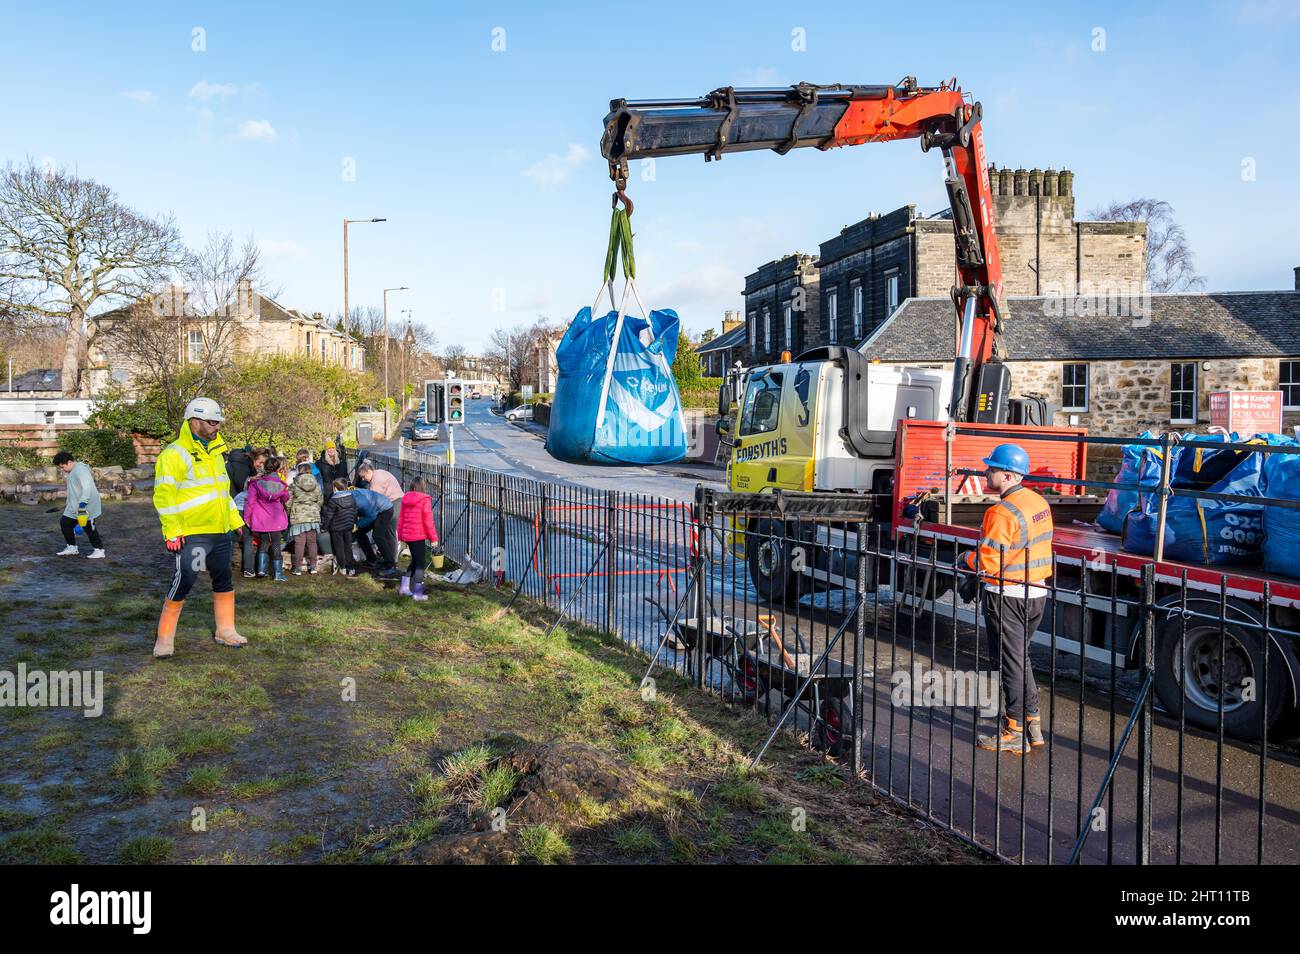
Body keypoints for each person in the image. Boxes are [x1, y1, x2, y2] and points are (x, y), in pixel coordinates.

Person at [961, 443, 1054, 755]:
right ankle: (1032, 724)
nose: (987, 472)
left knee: (1008, 662)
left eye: (993, 468)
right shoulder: (1038, 501)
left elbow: (989, 563)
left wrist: (965, 558)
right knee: (1019, 659)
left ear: (1009, 475)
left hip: (1008, 596)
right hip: (1036, 591)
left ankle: (1014, 731)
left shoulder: (1001, 512)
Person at [151, 397, 246, 658]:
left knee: (224, 580)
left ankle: (226, 630)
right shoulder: (174, 454)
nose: (217, 427)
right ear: (194, 420)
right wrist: (172, 531)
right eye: (212, 422)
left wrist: (236, 522)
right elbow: (164, 496)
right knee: (185, 581)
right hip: (193, 535)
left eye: (218, 422)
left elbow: (222, 493)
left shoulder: (216, 453)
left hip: (220, 532)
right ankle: (165, 639)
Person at [245, 455, 290, 581]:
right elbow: (286, 498)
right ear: (277, 468)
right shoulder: (282, 485)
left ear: (265, 467)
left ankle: (261, 570)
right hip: (276, 518)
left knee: (264, 543)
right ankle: (278, 574)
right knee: (276, 544)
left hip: (261, 518)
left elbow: (250, 502)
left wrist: (247, 518)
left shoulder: (256, 484)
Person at [53, 451, 105, 559]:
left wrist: (82, 504)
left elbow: (86, 488)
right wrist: (69, 502)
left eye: (63, 467)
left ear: (69, 462)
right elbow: (74, 489)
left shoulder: (81, 470)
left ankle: (99, 550)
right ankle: (72, 548)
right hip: (73, 506)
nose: (63, 469)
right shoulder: (72, 471)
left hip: (86, 505)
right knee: (65, 523)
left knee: (89, 528)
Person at [396, 477, 439, 601]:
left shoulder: (405, 499)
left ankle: (404, 588)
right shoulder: (425, 500)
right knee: (420, 564)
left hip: (407, 536)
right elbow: (428, 522)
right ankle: (418, 594)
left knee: (414, 562)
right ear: (423, 486)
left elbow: (401, 519)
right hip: (418, 535)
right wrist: (433, 539)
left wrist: (401, 537)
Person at [352, 484, 399, 576]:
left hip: (385, 510)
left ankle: (391, 565)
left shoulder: (360, 501)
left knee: (378, 535)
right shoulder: (351, 497)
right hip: (375, 511)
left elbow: (371, 516)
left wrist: (357, 525)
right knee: (359, 533)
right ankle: (372, 559)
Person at [286, 461, 324, 575]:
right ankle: (313, 567)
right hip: (313, 516)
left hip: (298, 516)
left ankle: (298, 568)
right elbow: (320, 500)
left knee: (299, 543)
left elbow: (288, 501)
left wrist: (290, 512)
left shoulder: (294, 484)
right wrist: (315, 509)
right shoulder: (316, 484)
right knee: (312, 542)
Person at [321, 478, 359, 577]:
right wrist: (353, 522)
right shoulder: (352, 497)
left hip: (336, 528)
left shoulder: (333, 500)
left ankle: (342, 567)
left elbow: (329, 515)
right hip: (348, 526)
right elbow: (355, 511)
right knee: (348, 547)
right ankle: (351, 568)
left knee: (339, 548)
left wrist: (325, 527)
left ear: (335, 488)